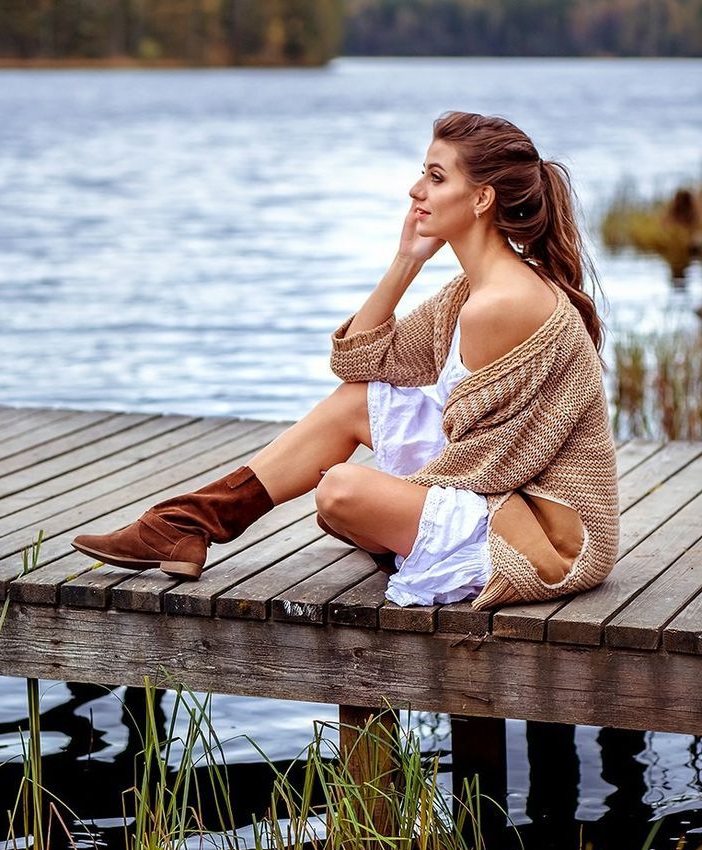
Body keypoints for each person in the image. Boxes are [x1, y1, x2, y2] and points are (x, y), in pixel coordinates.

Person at [72, 110, 619, 611]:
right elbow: (359, 365)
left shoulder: (502, 304)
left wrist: (380, 495)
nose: (415, 190)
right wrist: (404, 262)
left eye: (435, 177)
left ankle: (197, 524)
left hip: (544, 535)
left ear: (481, 200)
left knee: (339, 492)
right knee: (356, 414)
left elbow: (495, 463)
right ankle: (185, 523)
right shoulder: (467, 293)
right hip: (500, 492)